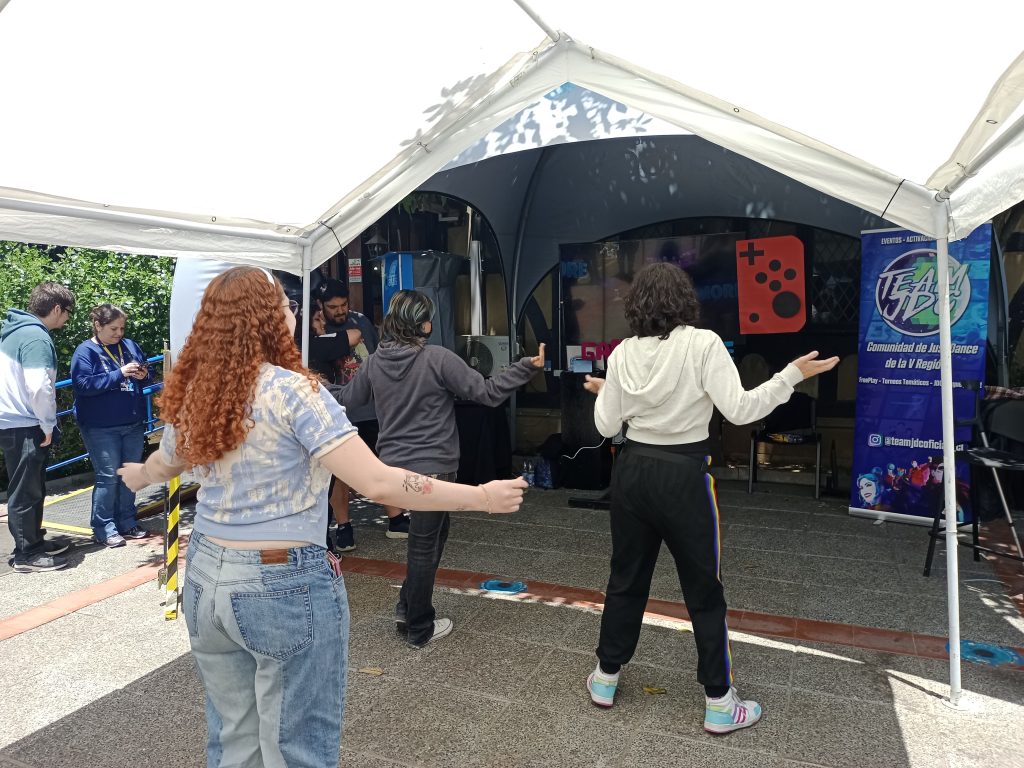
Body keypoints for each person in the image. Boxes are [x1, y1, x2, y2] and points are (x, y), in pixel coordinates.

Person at [117, 267, 526, 767]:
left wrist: (139, 474)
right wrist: (480, 496)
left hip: (204, 576)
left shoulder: (202, 391)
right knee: (298, 749)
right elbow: (378, 483)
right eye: (286, 306)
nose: (294, 313)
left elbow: (167, 461)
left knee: (233, 739)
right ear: (271, 320)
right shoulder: (295, 393)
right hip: (279, 579)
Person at [582, 262, 838, 734]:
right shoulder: (704, 344)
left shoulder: (620, 354)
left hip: (633, 472)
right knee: (703, 590)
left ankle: (605, 678)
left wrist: (605, 393)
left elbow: (605, 426)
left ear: (637, 305)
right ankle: (719, 703)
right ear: (684, 301)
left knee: (626, 578)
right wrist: (789, 375)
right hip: (684, 476)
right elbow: (740, 408)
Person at [330, 289, 544, 648]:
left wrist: (316, 388)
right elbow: (488, 393)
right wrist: (525, 366)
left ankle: (406, 607)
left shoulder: (376, 362)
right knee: (425, 545)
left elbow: (347, 401)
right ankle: (419, 626)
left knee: (432, 536)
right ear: (423, 324)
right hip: (435, 467)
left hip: (393, 469)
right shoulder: (438, 358)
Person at [317, 278, 407, 549]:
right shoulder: (314, 332)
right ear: (321, 306)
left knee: (383, 460)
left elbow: (375, 353)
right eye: (333, 307)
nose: (340, 311)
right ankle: (344, 527)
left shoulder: (361, 322)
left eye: (343, 305)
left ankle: (396, 518)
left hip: (371, 406)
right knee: (341, 472)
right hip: (338, 408)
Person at [0, 281, 76, 572]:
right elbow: (39, 386)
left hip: (11, 420)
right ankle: (27, 554)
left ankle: (33, 540)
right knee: (26, 490)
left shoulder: (15, 332)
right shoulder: (36, 338)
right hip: (25, 422)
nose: (67, 318)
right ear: (56, 308)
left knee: (28, 486)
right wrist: (47, 424)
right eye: (67, 312)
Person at [71, 304, 152, 547]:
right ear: (98, 325)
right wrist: (119, 374)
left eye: (122, 328)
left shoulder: (129, 345)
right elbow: (83, 386)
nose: (119, 333)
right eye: (113, 328)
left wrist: (143, 374)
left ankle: (127, 520)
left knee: (130, 474)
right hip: (100, 427)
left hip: (132, 423)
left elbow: (148, 370)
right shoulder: (85, 352)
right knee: (108, 476)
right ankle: (103, 527)